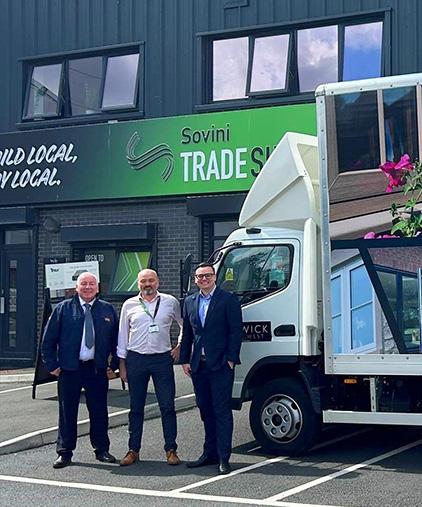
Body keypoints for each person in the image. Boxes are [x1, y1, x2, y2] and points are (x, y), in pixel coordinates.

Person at [41, 272, 119, 469]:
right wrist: (52, 365)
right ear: (76, 287)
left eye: (91, 284)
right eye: (83, 284)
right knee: (67, 412)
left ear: (97, 287)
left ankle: (102, 450)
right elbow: (48, 340)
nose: (87, 287)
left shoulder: (107, 309)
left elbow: (116, 341)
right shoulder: (63, 308)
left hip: (96, 369)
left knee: (99, 411)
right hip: (69, 369)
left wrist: (114, 365)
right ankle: (64, 452)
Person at [180, 262, 243, 475]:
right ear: (195, 280)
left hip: (221, 365)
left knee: (221, 411)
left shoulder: (228, 299)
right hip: (199, 365)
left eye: (208, 275)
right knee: (205, 410)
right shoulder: (190, 301)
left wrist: (231, 359)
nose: (204, 279)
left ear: (215, 277)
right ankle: (209, 453)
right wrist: (185, 360)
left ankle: (224, 457)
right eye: (200, 276)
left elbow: (236, 331)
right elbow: (188, 333)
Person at [118, 268, 182, 466]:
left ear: (158, 282)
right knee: (136, 407)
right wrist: (122, 364)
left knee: (167, 406)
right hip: (136, 359)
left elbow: (185, 325)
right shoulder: (129, 305)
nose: (147, 284)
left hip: (162, 359)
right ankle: (133, 450)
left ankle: (171, 449)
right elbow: (122, 335)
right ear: (138, 284)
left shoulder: (170, 302)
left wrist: (179, 346)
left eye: (151, 280)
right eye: (143, 281)